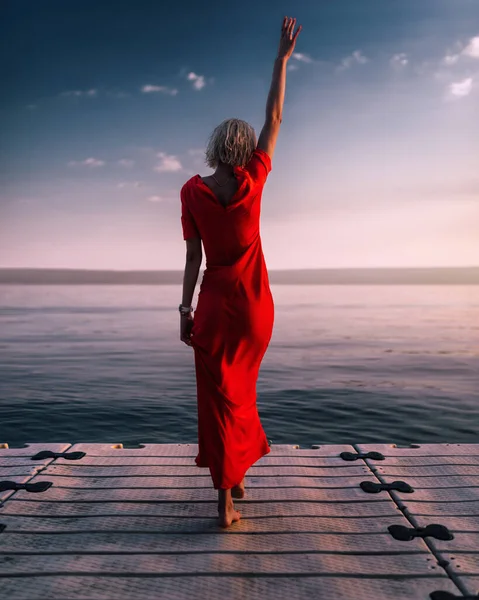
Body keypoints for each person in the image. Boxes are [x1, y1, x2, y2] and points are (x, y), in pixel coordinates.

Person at [179, 16, 302, 528]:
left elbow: (193, 258)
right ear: (245, 148)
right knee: (241, 392)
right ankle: (239, 478)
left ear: (213, 146)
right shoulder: (254, 178)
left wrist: (184, 308)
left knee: (218, 397)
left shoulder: (191, 191)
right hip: (254, 307)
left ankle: (226, 502)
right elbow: (274, 113)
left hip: (214, 303)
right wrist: (281, 60)